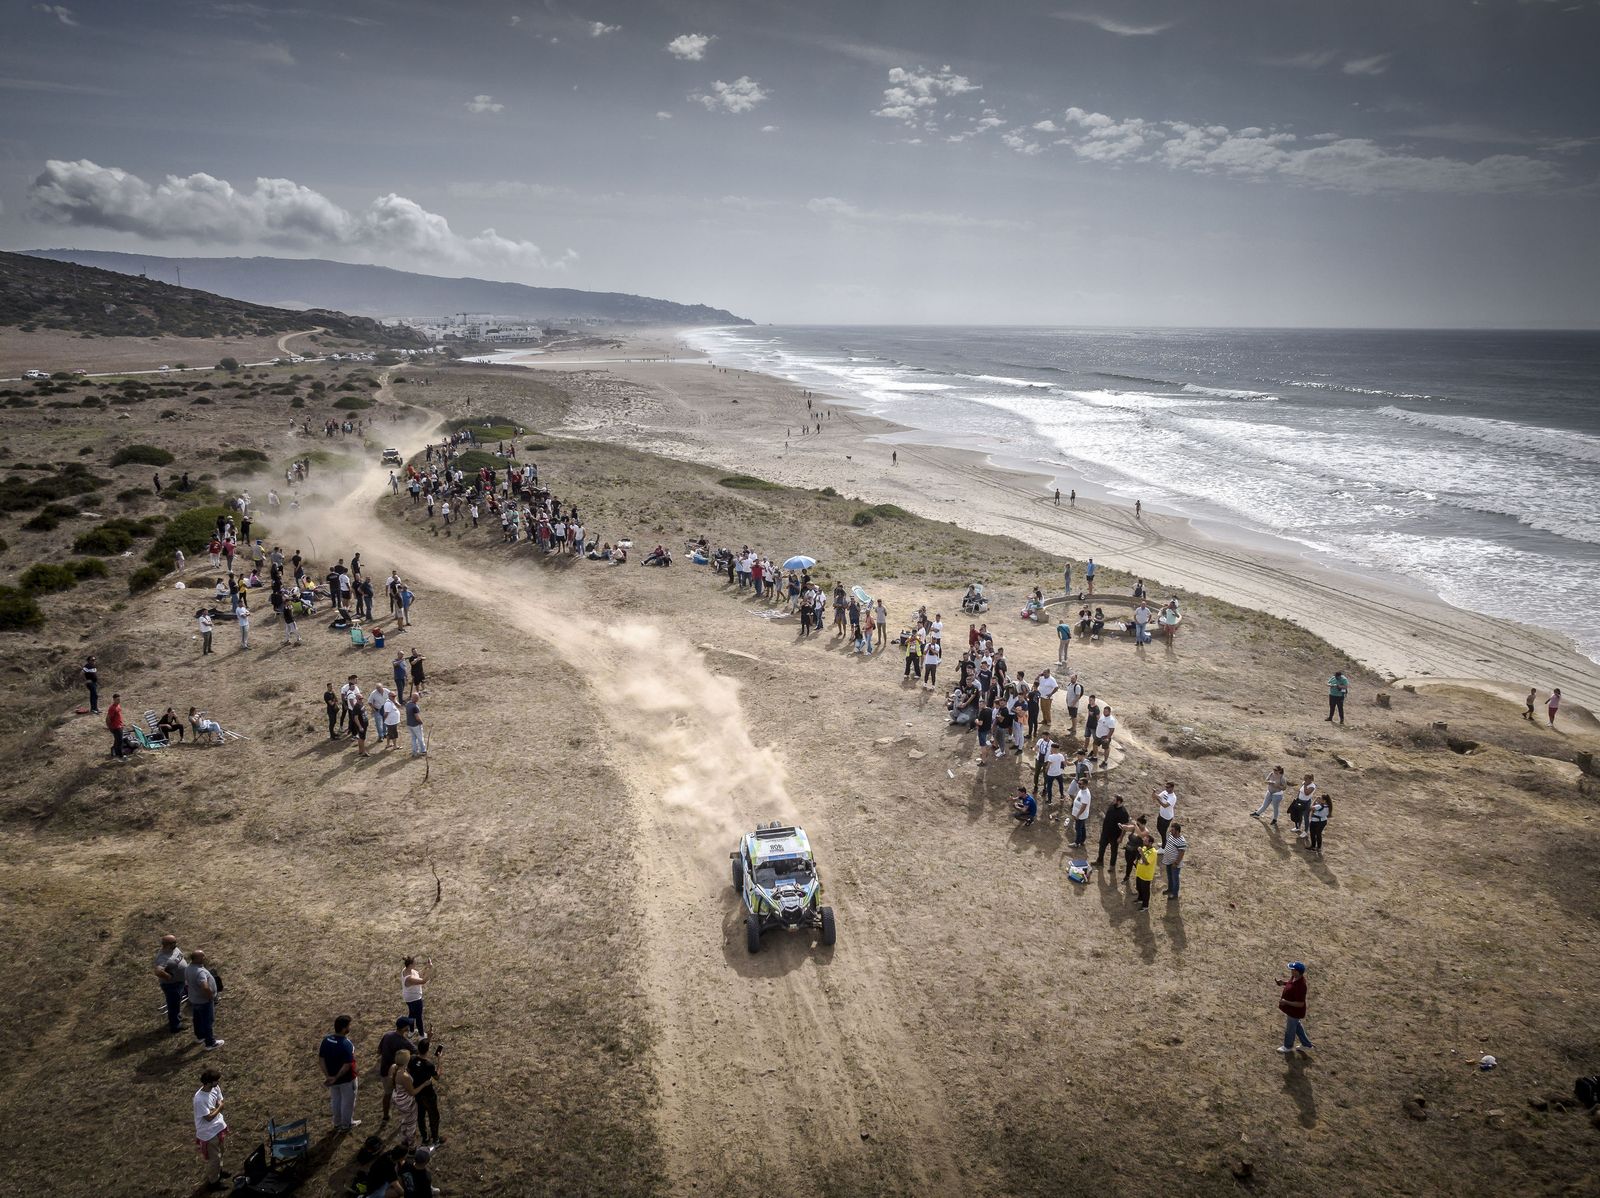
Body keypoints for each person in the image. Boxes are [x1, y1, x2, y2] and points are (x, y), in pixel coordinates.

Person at [319, 1014, 361, 1131]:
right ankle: (346, 1125)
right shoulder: (346, 1044)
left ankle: (337, 1123)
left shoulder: (326, 1040)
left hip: (332, 1079)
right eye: (348, 1026)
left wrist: (329, 1076)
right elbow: (347, 1065)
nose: (349, 1028)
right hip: (347, 1079)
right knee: (347, 1103)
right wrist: (336, 1077)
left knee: (336, 1101)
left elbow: (321, 1059)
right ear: (343, 1028)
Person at [192, 1067, 227, 1192]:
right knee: (215, 1158)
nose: (217, 1084)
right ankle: (213, 1182)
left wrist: (217, 1108)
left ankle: (219, 1171)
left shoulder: (215, 1088)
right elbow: (208, 1117)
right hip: (208, 1133)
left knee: (221, 1151)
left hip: (218, 1127)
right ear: (207, 1083)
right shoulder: (199, 1099)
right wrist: (219, 1108)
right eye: (215, 1081)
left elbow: (220, 1100)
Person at [379, 1018, 416, 1127]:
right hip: (398, 1074)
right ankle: (407, 1117)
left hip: (385, 1071)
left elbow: (379, 1050)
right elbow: (417, 1051)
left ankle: (385, 1116)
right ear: (404, 1028)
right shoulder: (403, 1041)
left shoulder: (387, 1035)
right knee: (405, 1096)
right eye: (408, 1026)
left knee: (387, 1094)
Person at [185, 949, 222, 1050]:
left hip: (194, 999)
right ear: (197, 959)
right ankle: (210, 1043)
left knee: (197, 1019)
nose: (205, 958)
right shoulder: (200, 972)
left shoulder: (188, 967)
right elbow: (205, 987)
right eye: (203, 956)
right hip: (204, 1001)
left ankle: (200, 1037)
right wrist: (211, 997)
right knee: (207, 1021)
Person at [409, 1043, 443, 1149]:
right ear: (427, 1050)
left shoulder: (412, 1059)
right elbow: (437, 1077)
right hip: (428, 1094)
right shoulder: (429, 1065)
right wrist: (439, 1060)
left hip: (417, 1093)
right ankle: (435, 1138)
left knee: (421, 1116)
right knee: (434, 1116)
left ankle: (425, 1138)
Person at [154, 933, 188, 1033]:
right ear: (166, 944)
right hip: (172, 985)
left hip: (180, 982)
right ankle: (175, 1026)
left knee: (176, 1002)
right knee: (173, 1005)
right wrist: (169, 977)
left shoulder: (173, 949)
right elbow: (158, 971)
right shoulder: (163, 957)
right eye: (174, 942)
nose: (176, 944)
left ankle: (177, 1016)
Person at [1277, 962, 1313, 1054]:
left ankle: (1288, 1046)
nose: (1291, 971)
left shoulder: (1301, 986)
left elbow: (1300, 1004)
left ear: (1298, 972)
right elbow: (1290, 985)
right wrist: (1283, 983)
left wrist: (1286, 1002)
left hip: (1294, 1012)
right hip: (1292, 1011)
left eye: (1293, 969)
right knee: (1297, 1026)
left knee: (1290, 1029)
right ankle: (1306, 1044)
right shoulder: (1294, 977)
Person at [390, 1049, 421, 1148]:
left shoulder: (393, 1067)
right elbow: (412, 1092)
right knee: (411, 1124)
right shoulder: (405, 1076)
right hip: (406, 1101)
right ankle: (412, 1146)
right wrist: (424, 1084)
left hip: (397, 1097)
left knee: (405, 1119)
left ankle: (403, 1139)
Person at [1096, 794, 1129, 873]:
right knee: (1101, 847)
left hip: (1115, 836)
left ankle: (1112, 866)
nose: (1112, 801)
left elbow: (1125, 827)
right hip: (1105, 833)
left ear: (1119, 801)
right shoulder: (1112, 806)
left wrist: (1121, 837)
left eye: (1114, 800)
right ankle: (1100, 861)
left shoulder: (1124, 813)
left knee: (1113, 851)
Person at [402, 957, 431, 1035]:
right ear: (410, 965)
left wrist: (426, 967)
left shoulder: (407, 969)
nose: (416, 963)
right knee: (418, 1017)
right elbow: (423, 981)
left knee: (412, 1014)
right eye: (415, 963)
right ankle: (422, 1035)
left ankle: (411, 1031)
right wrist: (430, 969)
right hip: (414, 999)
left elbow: (418, 974)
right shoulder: (409, 978)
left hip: (409, 998)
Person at [1162, 822, 1187, 899]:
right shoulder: (1170, 835)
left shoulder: (1181, 841)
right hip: (1168, 861)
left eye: (1172, 830)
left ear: (1177, 831)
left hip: (1175, 863)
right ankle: (1170, 889)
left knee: (1175, 878)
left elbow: (1181, 853)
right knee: (1169, 876)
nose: (1170, 831)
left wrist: (1176, 863)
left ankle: (1175, 894)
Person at [1133, 836, 1157, 910]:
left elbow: (1146, 863)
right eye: (1144, 840)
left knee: (1145, 891)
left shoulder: (1153, 852)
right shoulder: (1144, 848)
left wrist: (1141, 852)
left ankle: (1145, 906)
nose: (1144, 842)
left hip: (1146, 875)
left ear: (1150, 843)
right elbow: (1140, 858)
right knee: (1139, 887)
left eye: (1146, 841)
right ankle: (1140, 899)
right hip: (1139, 873)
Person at [1155, 782, 1177, 848]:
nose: (1166, 788)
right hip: (1161, 814)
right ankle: (1165, 841)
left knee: (1163, 831)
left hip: (1167, 817)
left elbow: (1165, 805)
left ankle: (1164, 846)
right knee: (1159, 828)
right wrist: (1154, 793)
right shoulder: (1165, 792)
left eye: (1168, 787)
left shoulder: (1173, 797)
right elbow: (1158, 796)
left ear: (1172, 788)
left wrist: (1157, 799)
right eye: (1166, 787)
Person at [1069, 781, 1091, 849]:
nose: (1079, 785)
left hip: (1081, 815)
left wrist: (1078, 815)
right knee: (1082, 827)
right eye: (1078, 783)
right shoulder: (1081, 790)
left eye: (1081, 784)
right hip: (1078, 814)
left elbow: (1083, 806)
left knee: (1078, 828)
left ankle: (1077, 843)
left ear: (1085, 784)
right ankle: (1082, 840)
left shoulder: (1086, 794)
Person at [106, 693, 127, 759]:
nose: (119, 701)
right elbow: (108, 718)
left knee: (117, 740)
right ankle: (120, 756)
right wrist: (110, 727)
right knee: (120, 741)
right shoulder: (112, 708)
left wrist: (122, 723)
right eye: (117, 699)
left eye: (119, 699)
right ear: (114, 700)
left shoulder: (118, 706)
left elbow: (118, 716)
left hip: (120, 726)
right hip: (116, 727)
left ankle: (113, 751)